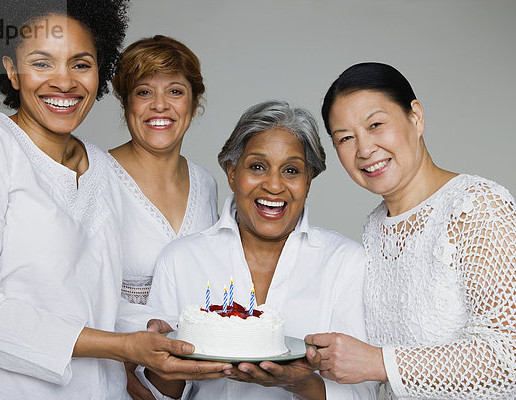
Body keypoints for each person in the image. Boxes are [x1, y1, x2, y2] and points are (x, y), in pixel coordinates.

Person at [0, 2, 229, 399]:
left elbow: (96, 302)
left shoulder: (100, 165)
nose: (64, 81)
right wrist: (121, 346)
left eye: (81, 64)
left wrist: (158, 330)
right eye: (42, 63)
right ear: (12, 71)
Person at [140, 100, 379, 399]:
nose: (274, 185)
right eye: (257, 167)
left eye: (291, 170)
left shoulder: (345, 262)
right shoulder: (181, 259)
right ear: (231, 172)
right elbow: (159, 393)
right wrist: (164, 362)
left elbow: (364, 392)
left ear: (308, 181)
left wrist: (299, 382)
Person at [307, 62, 516, 399]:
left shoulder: (477, 205)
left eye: (376, 124)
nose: (364, 150)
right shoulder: (375, 227)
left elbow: (510, 357)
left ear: (416, 117)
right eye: (345, 138)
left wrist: (379, 362)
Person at [107, 35, 219, 399]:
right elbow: (70, 291)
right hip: (113, 374)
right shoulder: (95, 175)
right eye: (143, 92)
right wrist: (125, 361)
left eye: (174, 91)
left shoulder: (206, 183)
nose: (160, 106)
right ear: (125, 102)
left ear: (194, 102)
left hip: (189, 379)